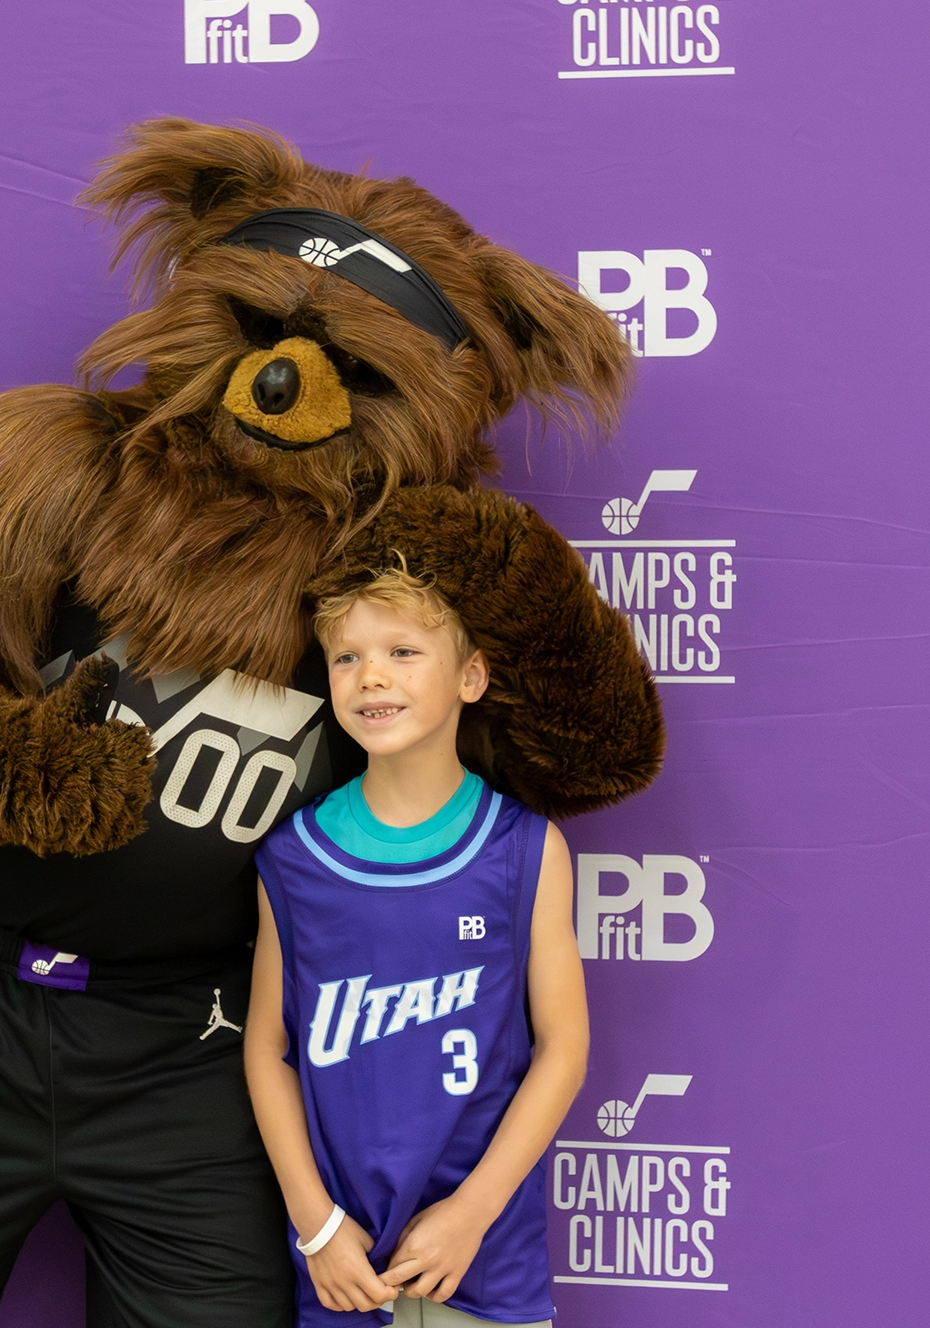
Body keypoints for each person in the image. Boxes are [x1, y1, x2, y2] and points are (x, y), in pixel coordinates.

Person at [246, 566, 589, 1327]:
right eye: (347, 656)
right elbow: (268, 1048)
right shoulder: (293, 858)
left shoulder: (524, 849)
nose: (371, 675)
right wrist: (316, 1226)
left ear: (471, 676)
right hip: (343, 1272)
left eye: (403, 651)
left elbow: (564, 1048)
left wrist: (472, 1212)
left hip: (485, 1265)